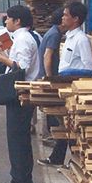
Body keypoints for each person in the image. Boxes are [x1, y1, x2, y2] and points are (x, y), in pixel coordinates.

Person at [0, 5, 41, 183]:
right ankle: (23, 179)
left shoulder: (23, 39)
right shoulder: (23, 38)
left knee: (16, 140)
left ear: (17, 21)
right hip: (22, 92)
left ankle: (18, 182)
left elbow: (22, 68)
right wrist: (2, 55)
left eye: (9, 18)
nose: (6, 22)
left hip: (20, 92)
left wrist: (1, 60)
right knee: (21, 139)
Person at [38, 1, 92, 167]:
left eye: (66, 15)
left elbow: (89, 68)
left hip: (74, 90)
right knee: (66, 126)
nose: (62, 18)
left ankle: (76, 162)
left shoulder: (81, 40)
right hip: (65, 89)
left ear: (76, 19)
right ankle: (63, 159)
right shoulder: (69, 37)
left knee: (71, 128)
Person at [38, 8, 66, 144]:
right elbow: (47, 57)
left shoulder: (53, 32)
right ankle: (50, 136)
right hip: (47, 77)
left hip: (46, 75)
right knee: (51, 109)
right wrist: (50, 79)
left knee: (49, 109)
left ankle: (48, 135)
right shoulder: (55, 34)